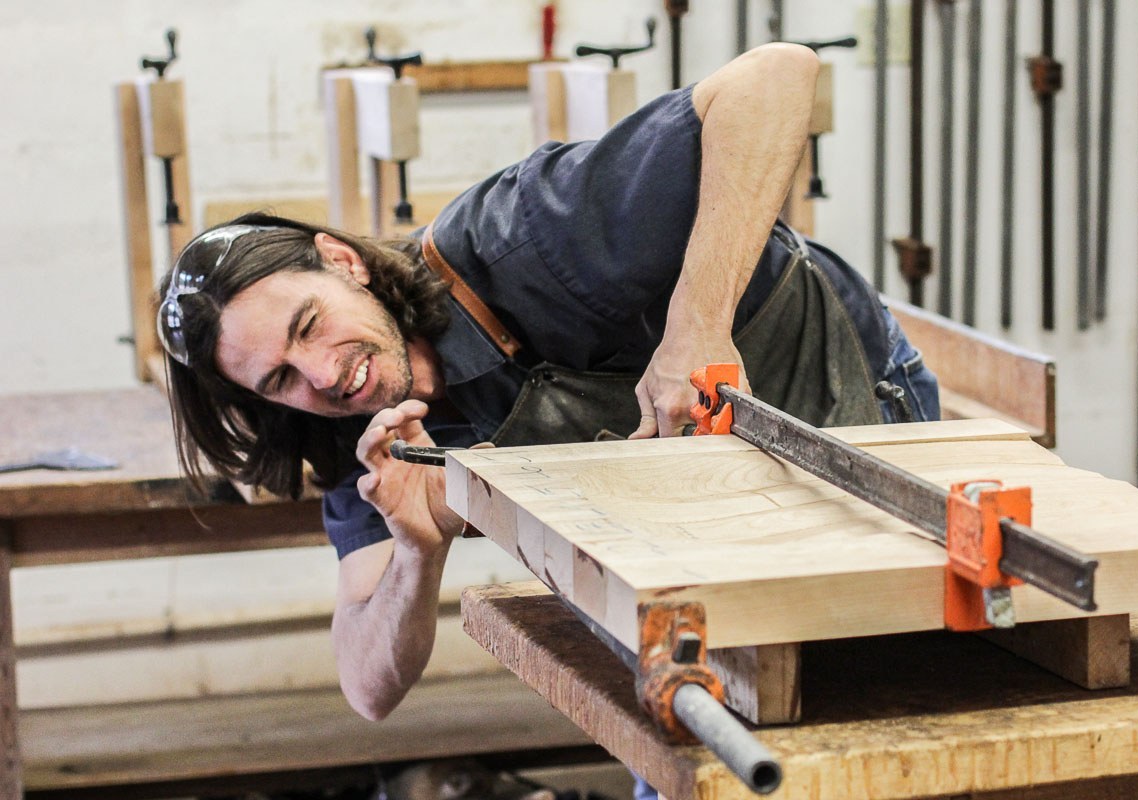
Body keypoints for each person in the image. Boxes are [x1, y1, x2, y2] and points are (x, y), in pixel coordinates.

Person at [156, 43, 939, 723]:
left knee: (883, 681)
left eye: (307, 326)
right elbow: (368, 689)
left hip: (841, 403)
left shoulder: (529, 236)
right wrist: (416, 555)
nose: (326, 374)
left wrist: (697, 328)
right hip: (687, 506)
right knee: (698, 714)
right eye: (281, 378)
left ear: (343, 262)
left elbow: (776, 74)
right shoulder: (356, 425)